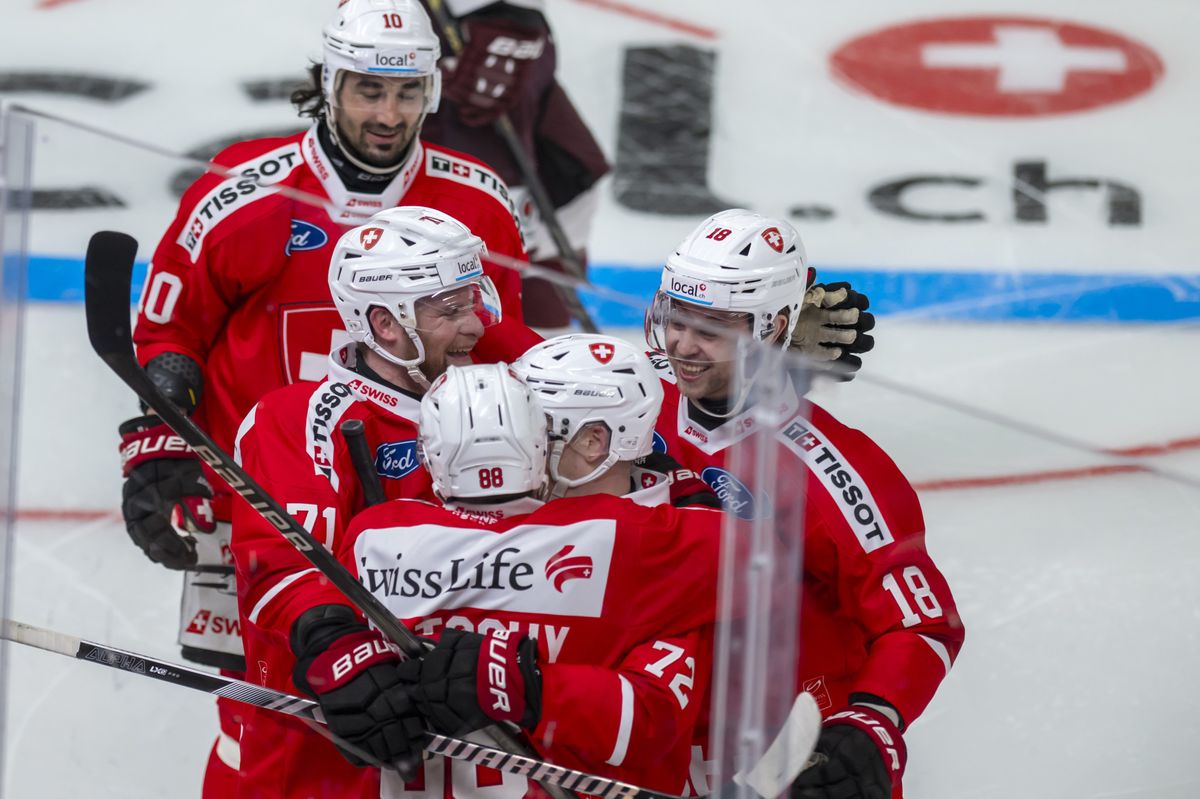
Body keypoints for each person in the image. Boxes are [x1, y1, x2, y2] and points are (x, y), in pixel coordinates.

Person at [116, 0, 530, 791]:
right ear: (330, 83)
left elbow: (497, 354)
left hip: (420, 514)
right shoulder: (244, 188)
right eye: (368, 91)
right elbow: (169, 334)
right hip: (268, 514)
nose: (388, 113)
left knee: (426, 735)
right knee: (274, 724)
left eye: (407, 92)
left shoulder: (476, 203)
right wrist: (159, 454)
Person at [643, 209, 965, 799]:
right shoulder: (634, 413)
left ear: (775, 326)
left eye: (711, 327)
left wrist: (871, 724)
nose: (683, 345)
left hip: (779, 757)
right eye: (676, 317)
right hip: (655, 740)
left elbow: (922, 625)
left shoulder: (830, 467)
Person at [300, 361, 725, 797]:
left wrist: (333, 650)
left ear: (428, 455)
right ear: (542, 447)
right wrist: (690, 493)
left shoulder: (375, 533)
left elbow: (334, 650)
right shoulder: (636, 535)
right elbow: (760, 567)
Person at [230, 206, 538, 798]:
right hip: (346, 751)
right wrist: (338, 649)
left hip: (490, 730)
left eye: (475, 298)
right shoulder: (299, 420)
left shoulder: (508, 380)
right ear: (385, 324)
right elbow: (282, 564)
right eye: (450, 310)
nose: (476, 324)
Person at [417, 0, 611, 329]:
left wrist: (512, 22)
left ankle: (547, 355)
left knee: (563, 179)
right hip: (430, 39)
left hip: (484, 30)